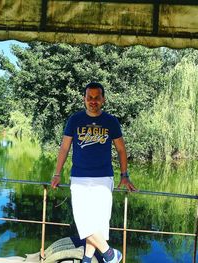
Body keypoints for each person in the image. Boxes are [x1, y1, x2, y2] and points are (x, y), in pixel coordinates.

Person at [51, 82, 137, 263]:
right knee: (83, 221)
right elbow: (64, 148)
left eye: (97, 97)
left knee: (98, 223)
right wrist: (57, 173)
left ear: (103, 100)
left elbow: (121, 150)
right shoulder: (75, 120)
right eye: (89, 97)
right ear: (84, 99)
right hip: (79, 178)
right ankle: (110, 254)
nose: (93, 101)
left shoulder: (111, 121)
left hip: (104, 178)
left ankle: (87, 259)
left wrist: (124, 175)